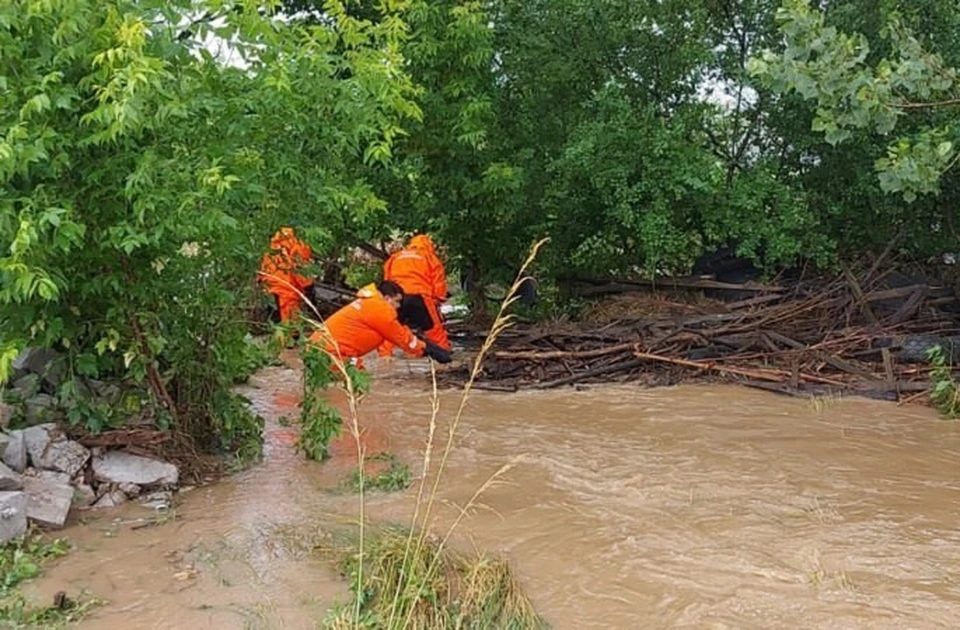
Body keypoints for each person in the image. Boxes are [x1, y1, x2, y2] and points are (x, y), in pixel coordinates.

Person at [311, 281, 452, 370]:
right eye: (397, 302)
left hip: (318, 351)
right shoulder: (380, 309)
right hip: (333, 354)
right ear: (387, 298)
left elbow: (399, 333)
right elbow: (403, 339)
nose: (398, 307)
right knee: (359, 383)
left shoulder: (369, 304)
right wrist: (431, 350)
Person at [377, 234, 451, 358]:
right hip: (420, 296)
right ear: (429, 246)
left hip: (397, 296)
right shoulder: (430, 258)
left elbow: (387, 280)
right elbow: (438, 282)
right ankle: (444, 353)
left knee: (390, 327)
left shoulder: (396, 257)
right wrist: (438, 299)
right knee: (434, 328)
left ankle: (385, 356)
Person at [259, 226, 314, 323]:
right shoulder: (299, 245)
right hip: (286, 287)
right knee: (290, 322)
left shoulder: (274, 244)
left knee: (276, 319)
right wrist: (308, 287)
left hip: (270, 284)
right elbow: (300, 269)